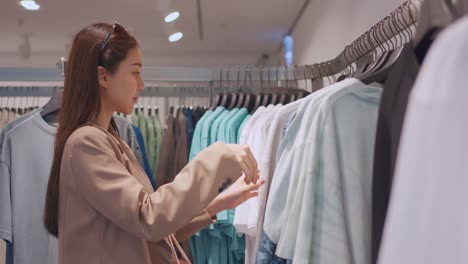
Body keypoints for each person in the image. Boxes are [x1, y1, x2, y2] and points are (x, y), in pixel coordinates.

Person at [43, 22, 263, 264]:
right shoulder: (86, 142)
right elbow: (148, 218)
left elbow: (149, 235)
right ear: (103, 76)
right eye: (135, 72)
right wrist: (218, 158)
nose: (142, 84)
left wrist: (217, 206)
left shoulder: (109, 140)